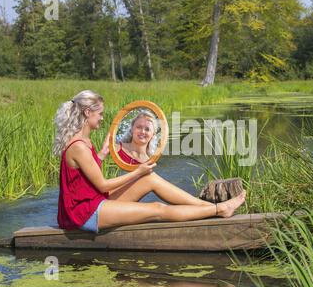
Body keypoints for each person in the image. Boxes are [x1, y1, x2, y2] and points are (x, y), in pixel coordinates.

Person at [53, 90, 246, 234]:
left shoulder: (84, 141)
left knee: (150, 179)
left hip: (93, 201)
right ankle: (219, 209)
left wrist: (102, 155)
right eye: (100, 114)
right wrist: (137, 172)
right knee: (157, 209)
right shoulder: (78, 145)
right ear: (87, 113)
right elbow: (102, 184)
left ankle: (203, 207)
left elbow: (84, 179)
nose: (103, 118)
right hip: (84, 213)